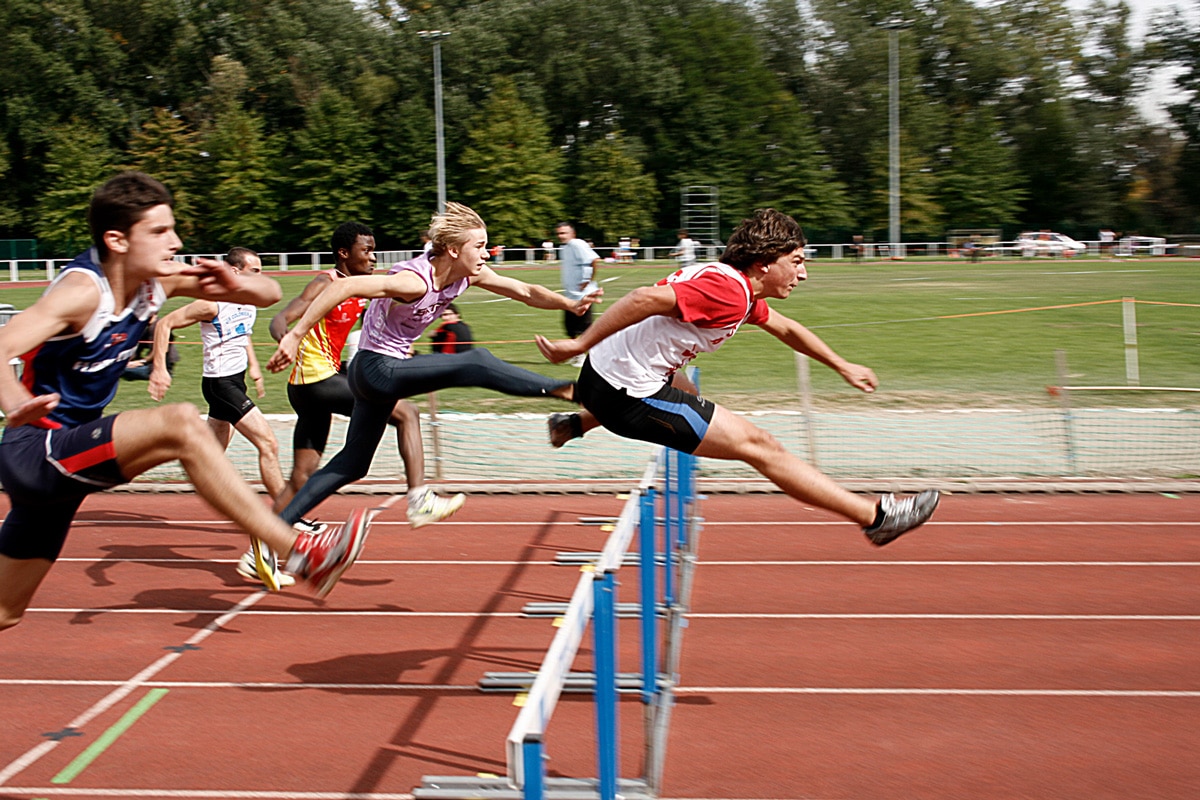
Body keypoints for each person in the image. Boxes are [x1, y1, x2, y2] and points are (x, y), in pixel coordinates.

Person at [0, 173, 368, 632]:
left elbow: (270, 294)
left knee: (6, 612)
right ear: (116, 239)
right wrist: (15, 401)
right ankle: (301, 551)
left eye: (173, 229)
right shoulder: (82, 293)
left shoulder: (161, 282)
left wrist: (231, 280)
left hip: (67, 465)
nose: (174, 242)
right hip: (35, 450)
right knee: (181, 424)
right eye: (158, 232)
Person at [537, 208, 939, 547]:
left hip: (604, 379)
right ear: (765, 261)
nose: (803, 274)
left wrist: (842, 365)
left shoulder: (737, 289)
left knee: (687, 388)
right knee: (761, 446)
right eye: (797, 261)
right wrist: (578, 344)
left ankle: (574, 424)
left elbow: (786, 329)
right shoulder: (727, 293)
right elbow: (642, 298)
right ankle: (875, 517)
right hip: (624, 394)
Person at [266, 202, 598, 531]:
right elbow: (343, 286)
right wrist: (295, 334)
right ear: (453, 250)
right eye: (479, 247)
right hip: (375, 368)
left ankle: (272, 533)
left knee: (352, 463)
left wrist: (570, 304)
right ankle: (572, 391)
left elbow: (524, 290)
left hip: (376, 374)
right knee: (475, 361)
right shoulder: (414, 282)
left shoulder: (469, 275)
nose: (486, 255)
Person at [267, 222, 463, 559]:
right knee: (405, 413)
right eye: (366, 251)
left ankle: (262, 545)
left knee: (302, 475)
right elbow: (279, 320)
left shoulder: (358, 287)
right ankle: (419, 500)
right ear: (344, 254)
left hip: (313, 385)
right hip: (315, 381)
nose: (373, 258)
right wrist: (287, 340)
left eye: (374, 250)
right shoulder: (325, 283)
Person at [149, 247, 286, 510]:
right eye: (254, 271)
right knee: (268, 443)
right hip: (220, 384)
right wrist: (159, 368)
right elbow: (164, 324)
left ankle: (192, 477)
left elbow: (242, 333)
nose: (260, 277)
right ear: (235, 271)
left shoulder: (248, 300)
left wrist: (255, 368)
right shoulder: (210, 303)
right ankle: (289, 514)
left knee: (210, 457)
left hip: (237, 380)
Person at [555, 222, 602, 366]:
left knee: (585, 327)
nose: (561, 236)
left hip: (583, 295)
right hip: (570, 295)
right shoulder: (565, 248)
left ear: (572, 233)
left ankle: (590, 357)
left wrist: (587, 281)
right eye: (559, 233)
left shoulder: (577, 244)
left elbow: (593, 260)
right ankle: (577, 353)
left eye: (564, 233)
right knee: (570, 326)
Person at [120, 313, 179, 380]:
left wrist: (140, 362)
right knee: (116, 367)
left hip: (159, 369)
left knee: (118, 370)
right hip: (150, 365)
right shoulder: (147, 328)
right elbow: (138, 349)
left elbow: (158, 351)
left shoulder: (158, 327)